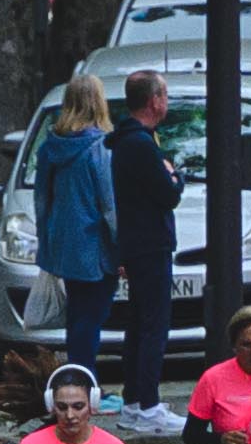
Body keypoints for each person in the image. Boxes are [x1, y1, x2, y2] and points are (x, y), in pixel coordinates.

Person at [104, 77, 187, 395]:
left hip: (138, 243)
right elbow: (167, 193)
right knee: (153, 324)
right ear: (154, 100)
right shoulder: (140, 144)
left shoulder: (133, 140)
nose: (166, 101)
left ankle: (136, 395)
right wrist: (177, 177)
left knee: (140, 321)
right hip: (150, 243)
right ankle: (146, 399)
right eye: (164, 94)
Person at [39, 86, 124, 387]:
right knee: (91, 321)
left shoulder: (51, 147)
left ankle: (77, 381)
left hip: (67, 248)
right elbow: (109, 204)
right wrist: (122, 247)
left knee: (77, 319)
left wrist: (46, 246)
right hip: (97, 249)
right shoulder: (100, 148)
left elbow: (42, 200)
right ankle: (84, 386)